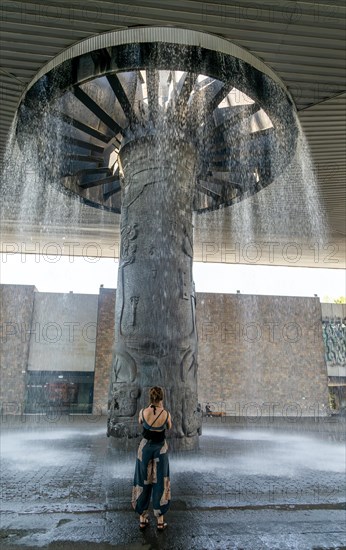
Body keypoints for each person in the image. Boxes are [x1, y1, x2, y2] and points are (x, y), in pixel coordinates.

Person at [131, 386, 172, 530]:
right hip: (160, 448)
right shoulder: (166, 414)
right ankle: (160, 520)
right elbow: (169, 426)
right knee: (161, 479)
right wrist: (161, 409)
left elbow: (141, 423)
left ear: (150, 398)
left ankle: (142, 518)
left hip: (145, 449)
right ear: (161, 398)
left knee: (142, 479)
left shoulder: (143, 412)